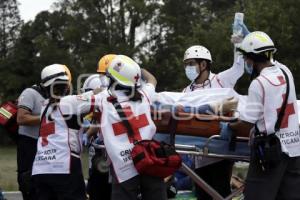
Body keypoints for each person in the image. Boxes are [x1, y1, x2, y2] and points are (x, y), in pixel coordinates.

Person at [228, 31, 300, 200]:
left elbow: (246, 123)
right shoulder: (286, 72)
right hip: (295, 148)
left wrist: (229, 126)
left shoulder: (258, 83)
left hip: (270, 154)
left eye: (246, 58)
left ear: (253, 58)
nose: (246, 61)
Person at [93, 55, 167, 200]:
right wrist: (137, 69)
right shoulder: (144, 95)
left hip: (124, 167)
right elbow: (152, 80)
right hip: (150, 160)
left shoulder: (103, 100)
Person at [181, 43, 247, 199]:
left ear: (203, 64)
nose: (187, 68)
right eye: (186, 65)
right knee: (202, 195)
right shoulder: (186, 91)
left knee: (220, 193)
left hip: (220, 151)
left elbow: (238, 69)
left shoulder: (220, 80)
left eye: (191, 64)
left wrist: (238, 44)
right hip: (197, 152)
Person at [32, 64, 92, 200]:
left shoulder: (44, 106)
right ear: (66, 85)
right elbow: (101, 96)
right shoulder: (68, 102)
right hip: (64, 166)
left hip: (40, 168)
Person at [16, 72, 48, 200]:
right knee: (28, 181)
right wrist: (46, 117)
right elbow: (21, 118)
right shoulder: (30, 93)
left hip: (45, 143)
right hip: (28, 142)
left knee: (43, 182)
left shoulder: (53, 96)